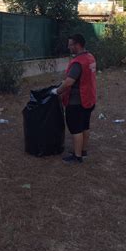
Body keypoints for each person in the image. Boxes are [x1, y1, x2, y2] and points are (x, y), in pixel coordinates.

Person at [51, 34, 97, 164]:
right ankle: (83, 150)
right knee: (84, 126)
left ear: (77, 45)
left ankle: (77, 157)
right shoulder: (90, 57)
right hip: (89, 98)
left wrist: (57, 91)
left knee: (75, 128)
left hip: (77, 101)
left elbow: (69, 82)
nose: (68, 47)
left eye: (70, 44)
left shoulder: (78, 62)